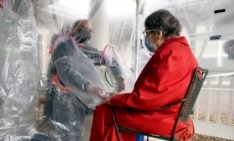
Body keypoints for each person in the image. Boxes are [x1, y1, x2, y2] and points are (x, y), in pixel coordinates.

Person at [89, 9, 198, 141]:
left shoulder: (171, 53)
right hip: (171, 112)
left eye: (147, 33)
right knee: (113, 111)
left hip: (163, 116)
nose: (146, 39)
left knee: (103, 110)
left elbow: (148, 98)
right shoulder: (183, 50)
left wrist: (115, 99)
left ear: (158, 33)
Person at [38, 19, 125, 141]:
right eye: (85, 29)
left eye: (90, 31)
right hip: (63, 99)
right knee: (65, 134)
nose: (88, 33)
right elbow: (66, 70)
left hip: (78, 100)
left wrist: (119, 77)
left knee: (75, 133)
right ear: (75, 29)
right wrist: (89, 87)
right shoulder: (64, 46)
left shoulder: (84, 49)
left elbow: (108, 59)